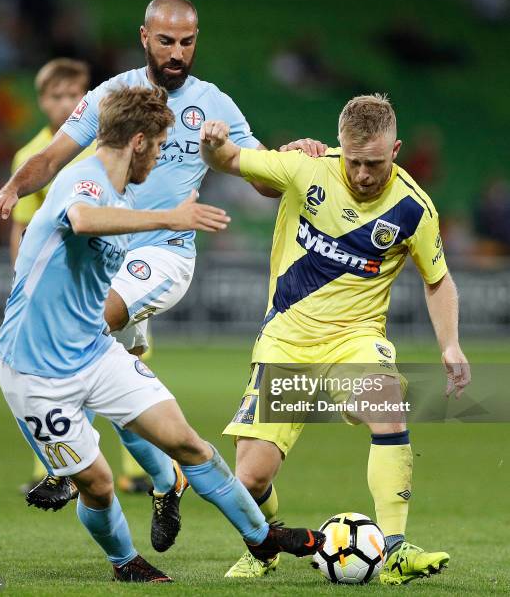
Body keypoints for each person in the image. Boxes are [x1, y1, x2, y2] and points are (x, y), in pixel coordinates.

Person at [0, 0, 325, 546]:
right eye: (166, 41)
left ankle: (68, 461)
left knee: (90, 333)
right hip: (108, 255)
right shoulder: (113, 95)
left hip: (164, 254)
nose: (177, 52)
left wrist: (293, 155)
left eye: (187, 42)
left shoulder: (215, 105)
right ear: (145, 37)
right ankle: (165, 481)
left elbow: (260, 177)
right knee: (115, 374)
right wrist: (11, 189)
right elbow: (52, 155)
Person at [200, 94, 471, 584]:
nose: (364, 174)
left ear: (396, 149)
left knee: (387, 405)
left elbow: (438, 280)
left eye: (375, 163)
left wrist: (450, 345)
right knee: (250, 478)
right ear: (339, 146)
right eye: (354, 161)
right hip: (286, 342)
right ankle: (265, 549)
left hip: (355, 341)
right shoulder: (306, 168)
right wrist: (212, 144)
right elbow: (231, 161)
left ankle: (394, 549)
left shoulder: (413, 207)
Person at [9, 58, 152, 497]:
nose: (67, 103)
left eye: (75, 95)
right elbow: (23, 225)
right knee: (55, 370)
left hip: (107, 274)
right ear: (42, 101)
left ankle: (137, 468)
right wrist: (21, 278)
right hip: (58, 284)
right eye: (57, 96)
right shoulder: (33, 157)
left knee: (132, 363)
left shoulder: (102, 147)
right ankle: (53, 468)